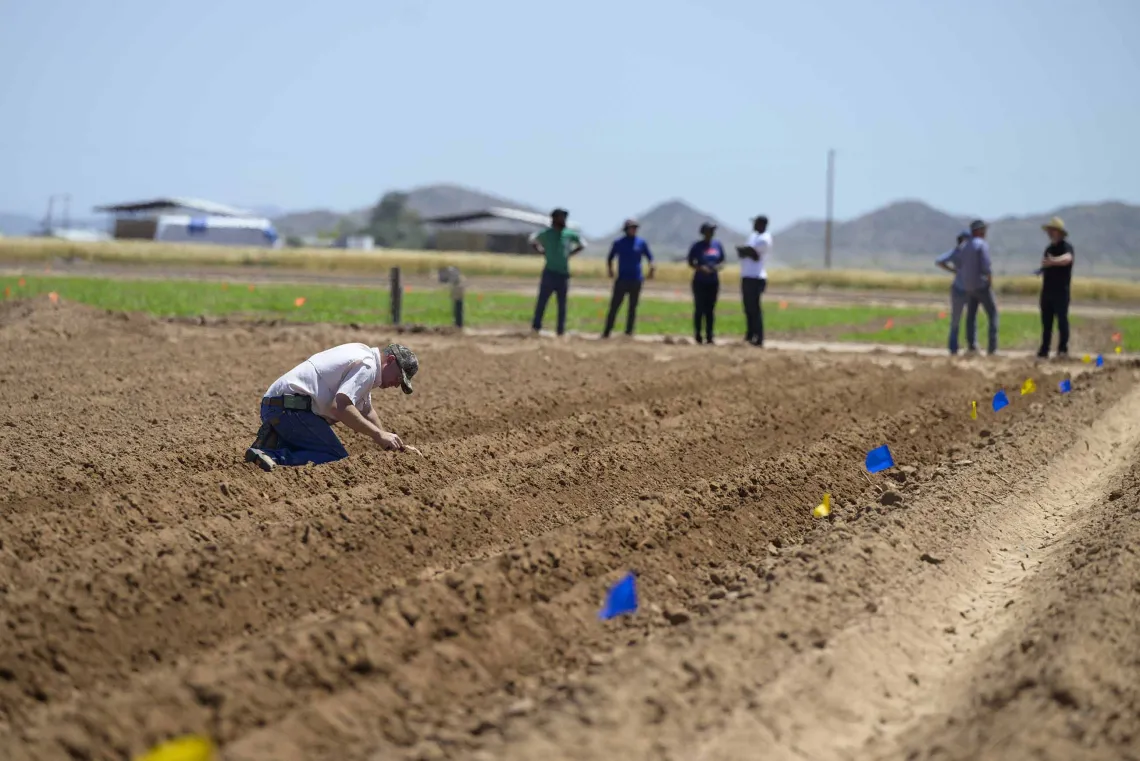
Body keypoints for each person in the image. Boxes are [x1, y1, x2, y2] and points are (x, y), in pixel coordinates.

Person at [245, 342, 419, 471]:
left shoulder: (365, 356)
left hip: (282, 406)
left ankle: (275, 446)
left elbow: (366, 411)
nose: (397, 385)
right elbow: (340, 407)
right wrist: (378, 434)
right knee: (335, 458)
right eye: (399, 377)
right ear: (390, 360)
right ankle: (271, 456)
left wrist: (392, 445)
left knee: (318, 451)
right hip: (290, 410)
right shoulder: (367, 366)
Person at [530, 208, 585, 336]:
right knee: (542, 301)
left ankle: (560, 330)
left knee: (562, 304)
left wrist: (570, 254)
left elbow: (582, 244)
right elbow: (533, 240)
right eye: (561, 217)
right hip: (549, 272)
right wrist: (541, 251)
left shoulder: (569, 234)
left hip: (563, 274)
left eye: (565, 218)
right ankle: (536, 327)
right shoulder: (547, 233)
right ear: (554, 219)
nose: (563, 220)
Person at [602, 218, 655, 338]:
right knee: (615, 306)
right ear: (626, 230)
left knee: (632, 307)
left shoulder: (641, 243)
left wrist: (652, 268)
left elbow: (650, 257)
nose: (634, 230)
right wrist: (610, 270)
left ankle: (629, 332)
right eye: (632, 228)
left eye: (636, 228)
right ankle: (607, 331)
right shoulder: (619, 242)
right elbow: (610, 257)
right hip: (622, 279)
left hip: (636, 279)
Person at [1037, 216, 1075, 359]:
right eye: (1049, 231)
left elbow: (1067, 258)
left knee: (1062, 322)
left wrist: (1053, 261)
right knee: (1046, 323)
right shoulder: (1049, 248)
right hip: (1047, 292)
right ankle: (1044, 350)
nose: (1049, 233)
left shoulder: (1066, 247)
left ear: (1058, 232)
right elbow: (1046, 263)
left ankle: (1062, 350)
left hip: (1061, 292)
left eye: (1052, 230)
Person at [961, 219, 1000, 355]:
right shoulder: (981, 245)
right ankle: (992, 348)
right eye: (984, 230)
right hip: (981, 285)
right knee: (993, 314)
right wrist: (990, 281)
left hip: (969, 286)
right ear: (979, 231)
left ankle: (971, 346)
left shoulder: (965, 246)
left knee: (971, 316)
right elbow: (986, 266)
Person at [687, 222, 726, 344]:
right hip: (700, 281)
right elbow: (690, 261)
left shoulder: (717, 245)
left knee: (710, 310)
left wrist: (716, 267)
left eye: (713, 231)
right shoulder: (697, 246)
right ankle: (698, 335)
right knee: (699, 309)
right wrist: (700, 268)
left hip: (713, 281)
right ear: (704, 233)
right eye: (709, 231)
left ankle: (710, 336)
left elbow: (722, 261)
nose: (711, 234)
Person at [935, 229, 973, 355]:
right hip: (962, 289)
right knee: (959, 319)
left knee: (965, 319)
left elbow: (939, 261)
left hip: (966, 289)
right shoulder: (961, 253)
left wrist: (953, 270)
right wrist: (953, 270)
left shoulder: (958, 252)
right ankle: (954, 347)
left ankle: (967, 346)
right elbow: (939, 261)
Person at [738, 215, 772, 346]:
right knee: (747, 307)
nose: (753, 225)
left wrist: (747, 251)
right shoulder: (753, 237)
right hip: (747, 275)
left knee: (755, 308)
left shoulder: (765, 239)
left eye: (756, 223)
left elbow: (755, 255)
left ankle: (759, 337)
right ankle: (750, 334)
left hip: (756, 277)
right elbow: (746, 252)